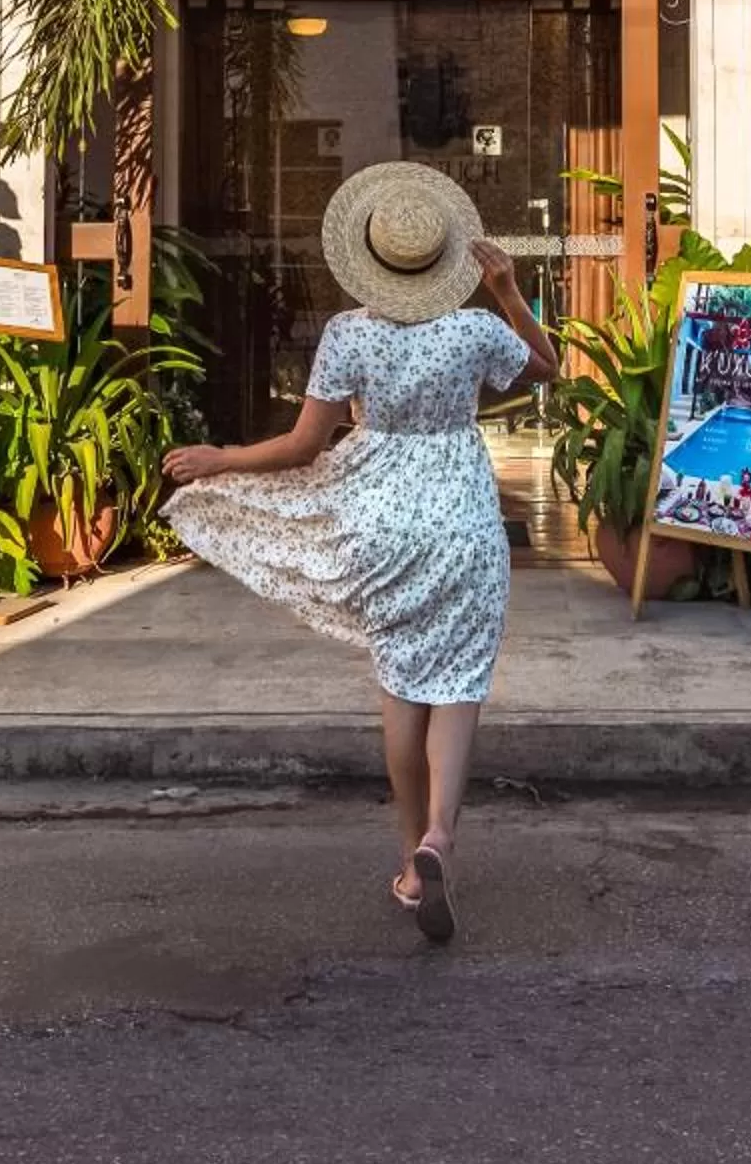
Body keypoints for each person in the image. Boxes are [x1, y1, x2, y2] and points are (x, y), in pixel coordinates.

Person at [164, 158, 559, 945]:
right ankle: (439, 837)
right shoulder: (476, 328)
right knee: (459, 682)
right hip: (461, 514)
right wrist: (509, 289)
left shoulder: (348, 334)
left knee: (401, 684)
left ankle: (411, 869)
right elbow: (549, 371)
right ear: (444, 261)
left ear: (370, 258)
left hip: (379, 518)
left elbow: (304, 447)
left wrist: (222, 457)